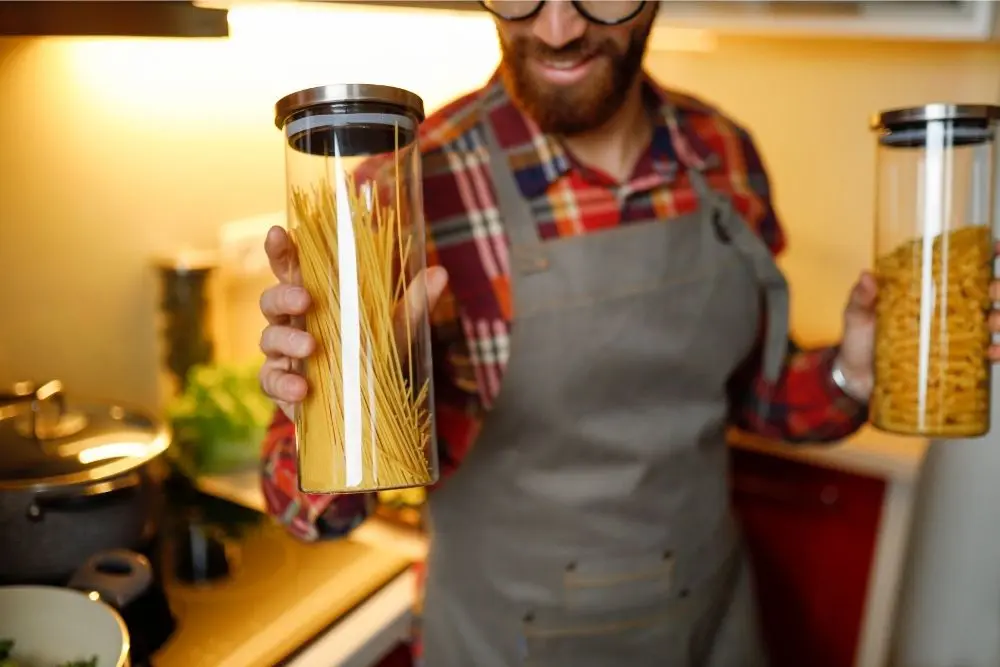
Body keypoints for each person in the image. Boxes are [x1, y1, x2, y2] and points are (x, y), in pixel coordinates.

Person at [257, 1, 1000, 665]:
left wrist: (855, 371)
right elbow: (311, 509)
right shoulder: (405, 189)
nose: (558, 27)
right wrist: (319, 407)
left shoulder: (721, 152)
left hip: (709, 617)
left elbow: (756, 395)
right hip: (505, 636)